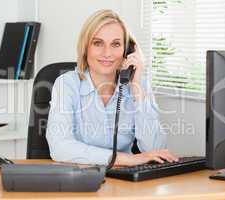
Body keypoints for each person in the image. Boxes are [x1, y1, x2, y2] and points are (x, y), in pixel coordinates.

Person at [46, 9, 178, 166]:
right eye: (98, 43)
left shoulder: (138, 85)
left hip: (125, 182)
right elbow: (60, 147)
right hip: (79, 180)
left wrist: (137, 89)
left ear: (127, 50)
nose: (107, 53)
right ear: (85, 47)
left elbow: (155, 150)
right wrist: (127, 159)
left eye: (115, 44)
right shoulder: (67, 84)